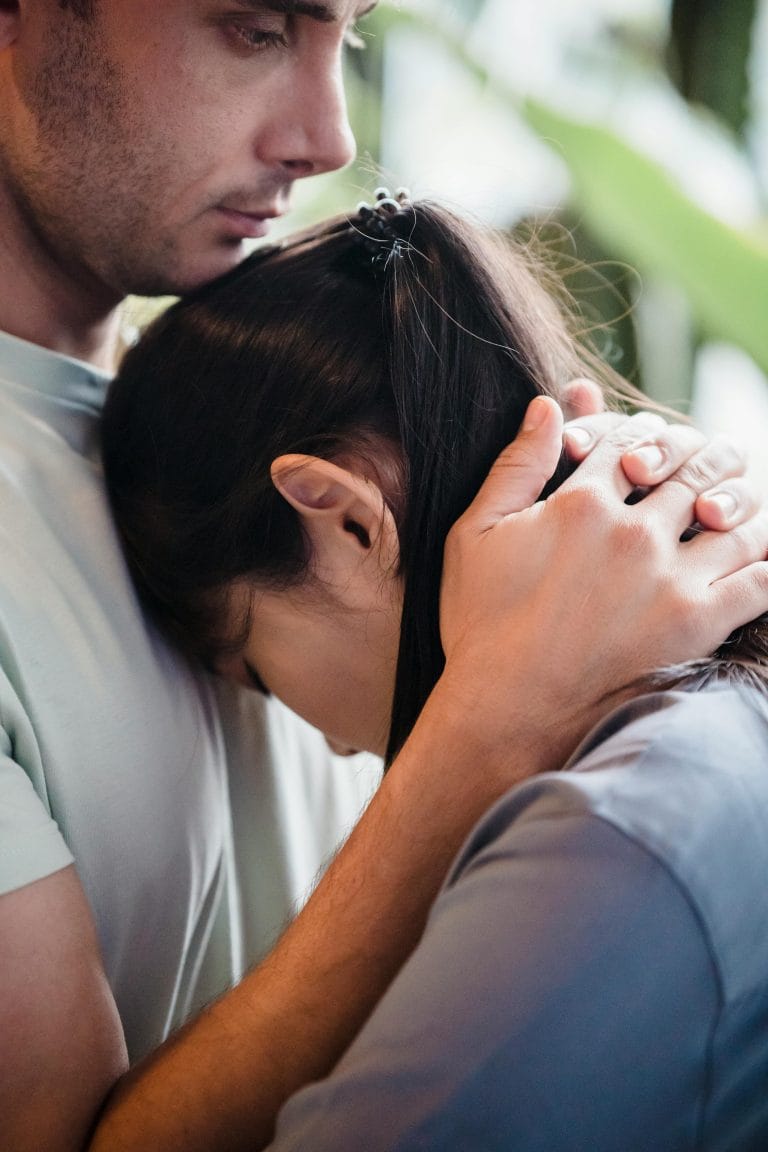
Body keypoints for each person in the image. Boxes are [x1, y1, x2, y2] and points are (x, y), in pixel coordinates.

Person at [0, 3, 766, 1150]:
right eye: (253, 28)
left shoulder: (218, 414)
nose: (330, 137)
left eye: (348, 39)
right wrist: (492, 721)